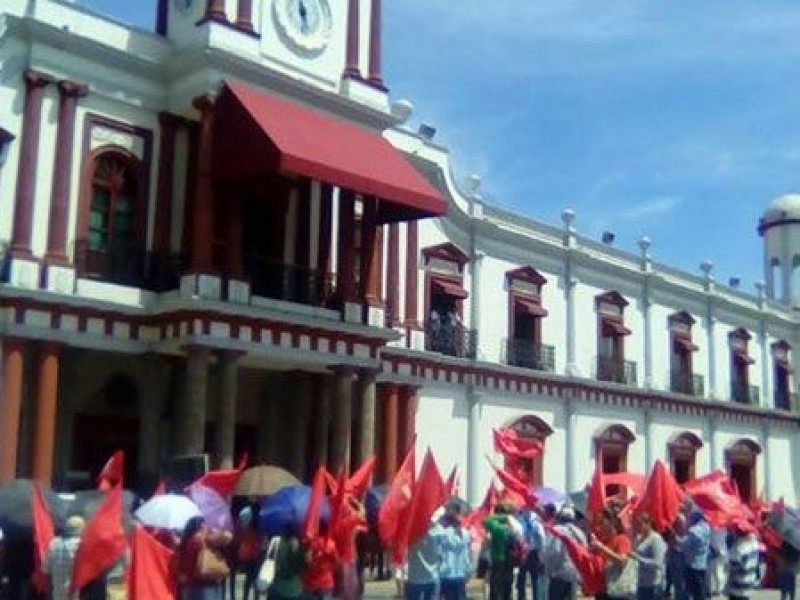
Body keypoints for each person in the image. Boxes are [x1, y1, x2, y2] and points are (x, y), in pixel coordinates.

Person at [176, 516, 233, 600]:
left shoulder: (186, 541)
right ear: (201, 526)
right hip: (204, 584)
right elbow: (228, 536)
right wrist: (215, 533)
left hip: (190, 584)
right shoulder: (202, 539)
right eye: (204, 524)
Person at [542, 504, 586, 600]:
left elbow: (552, 552)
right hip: (574, 574)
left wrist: (549, 569)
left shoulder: (556, 530)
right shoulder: (580, 533)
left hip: (558, 573)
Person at [590, 508, 633, 600]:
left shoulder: (622, 539)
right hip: (602, 591)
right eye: (598, 523)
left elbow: (622, 561)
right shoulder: (603, 541)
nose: (599, 527)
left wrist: (602, 548)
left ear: (612, 522)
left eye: (602, 522)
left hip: (617, 592)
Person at [43, 515, 85, 600]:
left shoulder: (54, 543)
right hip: (75, 592)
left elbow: (46, 569)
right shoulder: (81, 545)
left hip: (58, 592)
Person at [438, 502, 472, 600]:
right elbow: (466, 555)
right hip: (459, 575)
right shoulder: (465, 533)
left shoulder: (442, 533)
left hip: (445, 575)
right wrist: (468, 571)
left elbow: (438, 553)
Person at [232, 505, 265, 600]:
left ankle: (245, 597)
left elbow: (244, 539)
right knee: (257, 579)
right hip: (258, 555)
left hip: (249, 556)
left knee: (248, 579)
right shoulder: (261, 527)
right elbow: (262, 542)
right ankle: (256, 597)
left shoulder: (247, 526)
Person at [630, 513, 666, 600]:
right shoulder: (639, 538)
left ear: (648, 523)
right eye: (637, 524)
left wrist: (639, 559)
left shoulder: (656, 539)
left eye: (640, 524)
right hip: (641, 582)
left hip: (653, 584)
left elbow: (658, 562)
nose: (638, 526)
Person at [484, 504, 516, 600]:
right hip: (510, 560)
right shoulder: (513, 527)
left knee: (496, 589)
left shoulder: (498, 528)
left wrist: (502, 517)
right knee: (507, 588)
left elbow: (486, 521)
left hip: (498, 560)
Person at [404, 522, 443, 600]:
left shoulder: (411, 532)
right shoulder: (438, 532)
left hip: (414, 577)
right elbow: (441, 554)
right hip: (431, 576)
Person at [677, 509, 710, 600]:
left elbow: (684, 545)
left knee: (693, 591)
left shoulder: (694, 530)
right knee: (700, 591)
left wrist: (677, 538)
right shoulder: (707, 527)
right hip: (703, 564)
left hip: (692, 565)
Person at [268, 524, 307, 600]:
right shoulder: (301, 546)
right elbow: (302, 568)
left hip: (276, 587)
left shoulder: (276, 542)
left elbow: (269, 560)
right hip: (294, 590)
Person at [723, 520, 760, 600]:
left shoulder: (739, 547)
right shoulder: (755, 543)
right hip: (749, 582)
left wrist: (727, 566)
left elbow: (734, 567)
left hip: (737, 585)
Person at [516, 508, 545, 600]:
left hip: (530, 552)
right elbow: (542, 539)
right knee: (526, 578)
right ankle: (524, 597)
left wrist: (541, 555)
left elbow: (541, 539)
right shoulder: (522, 520)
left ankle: (532, 597)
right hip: (527, 552)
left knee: (531, 578)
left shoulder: (534, 521)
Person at [302, 526, 337, 600]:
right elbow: (336, 562)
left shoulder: (311, 544)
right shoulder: (331, 544)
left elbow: (306, 562)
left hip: (311, 582)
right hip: (326, 582)